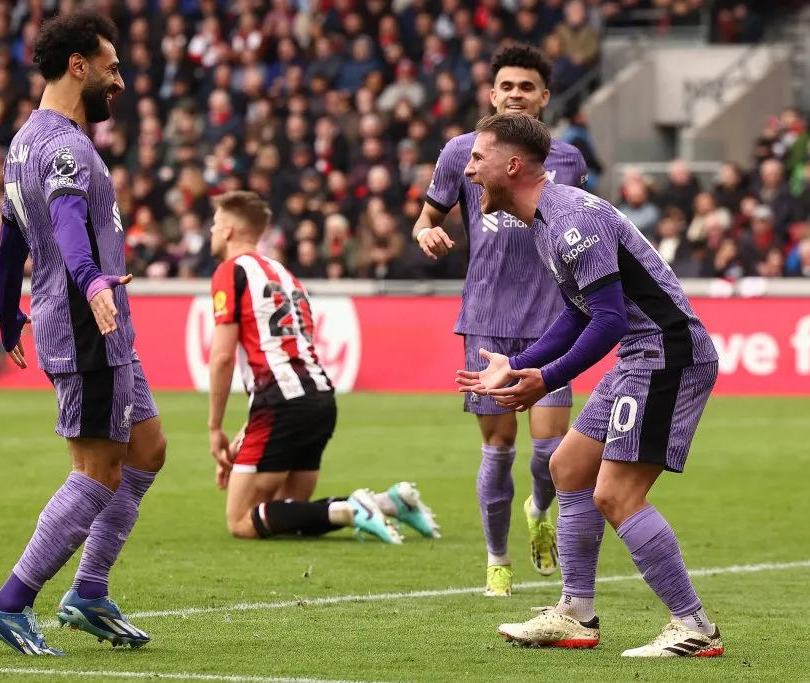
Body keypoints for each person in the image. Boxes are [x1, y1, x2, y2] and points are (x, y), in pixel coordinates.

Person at [457, 113, 723, 658]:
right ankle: (575, 614)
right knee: (568, 466)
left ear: (512, 165)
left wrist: (546, 379)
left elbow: (609, 320)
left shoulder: (573, 217)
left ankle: (694, 627)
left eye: (478, 158)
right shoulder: (547, 223)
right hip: (641, 354)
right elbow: (580, 315)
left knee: (615, 493)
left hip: (667, 353)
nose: (469, 169)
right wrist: (518, 362)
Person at [0, 9, 167, 655]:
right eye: (112, 69)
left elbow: (10, 239)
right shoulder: (62, 146)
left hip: (105, 326)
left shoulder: (25, 141)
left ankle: (89, 591)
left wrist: (7, 312)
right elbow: (63, 224)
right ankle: (12, 600)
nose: (120, 82)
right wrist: (89, 281)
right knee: (97, 470)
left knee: (146, 448)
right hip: (88, 324)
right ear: (77, 66)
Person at [411, 44, 588, 596]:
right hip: (487, 316)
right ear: (492, 94)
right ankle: (497, 561)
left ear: (544, 98)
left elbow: (575, 227)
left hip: (549, 318)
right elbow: (427, 218)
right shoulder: (461, 152)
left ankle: (539, 507)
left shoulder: (568, 160)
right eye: (506, 86)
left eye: (527, 87)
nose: (516, 94)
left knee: (549, 452)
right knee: (497, 445)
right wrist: (426, 233)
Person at [207, 191, 439, 543]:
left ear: (226, 231)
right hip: (319, 399)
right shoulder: (286, 275)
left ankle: (352, 509)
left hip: (282, 402)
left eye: (213, 225)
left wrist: (214, 427)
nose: (211, 232)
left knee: (241, 521)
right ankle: (388, 503)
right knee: (287, 511)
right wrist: (245, 436)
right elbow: (289, 355)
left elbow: (223, 357)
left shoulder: (230, 271)